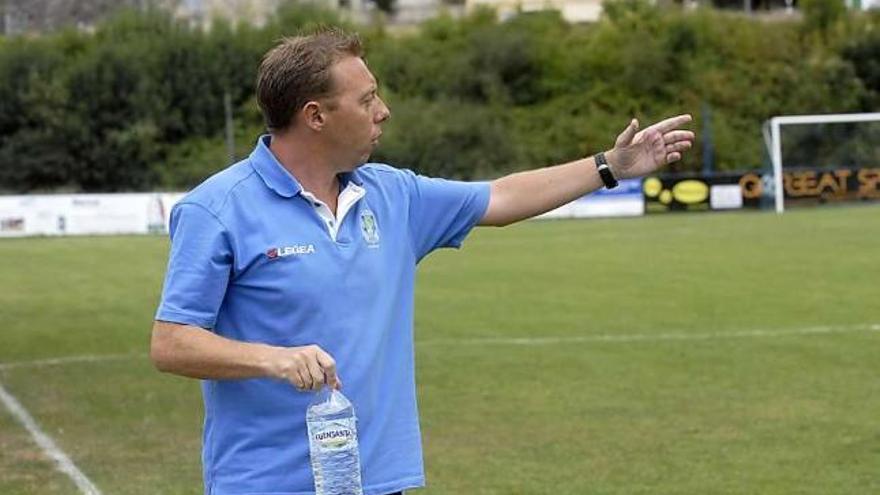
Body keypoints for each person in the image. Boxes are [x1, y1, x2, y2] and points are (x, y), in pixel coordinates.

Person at [151, 28, 694, 495]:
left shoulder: (394, 196)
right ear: (315, 115)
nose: (382, 111)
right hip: (265, 483)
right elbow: (171, 341)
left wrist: (610, 165)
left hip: (379, 479)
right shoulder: (217, 209)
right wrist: (273, 359)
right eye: (366, 100)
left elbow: (500, 198)